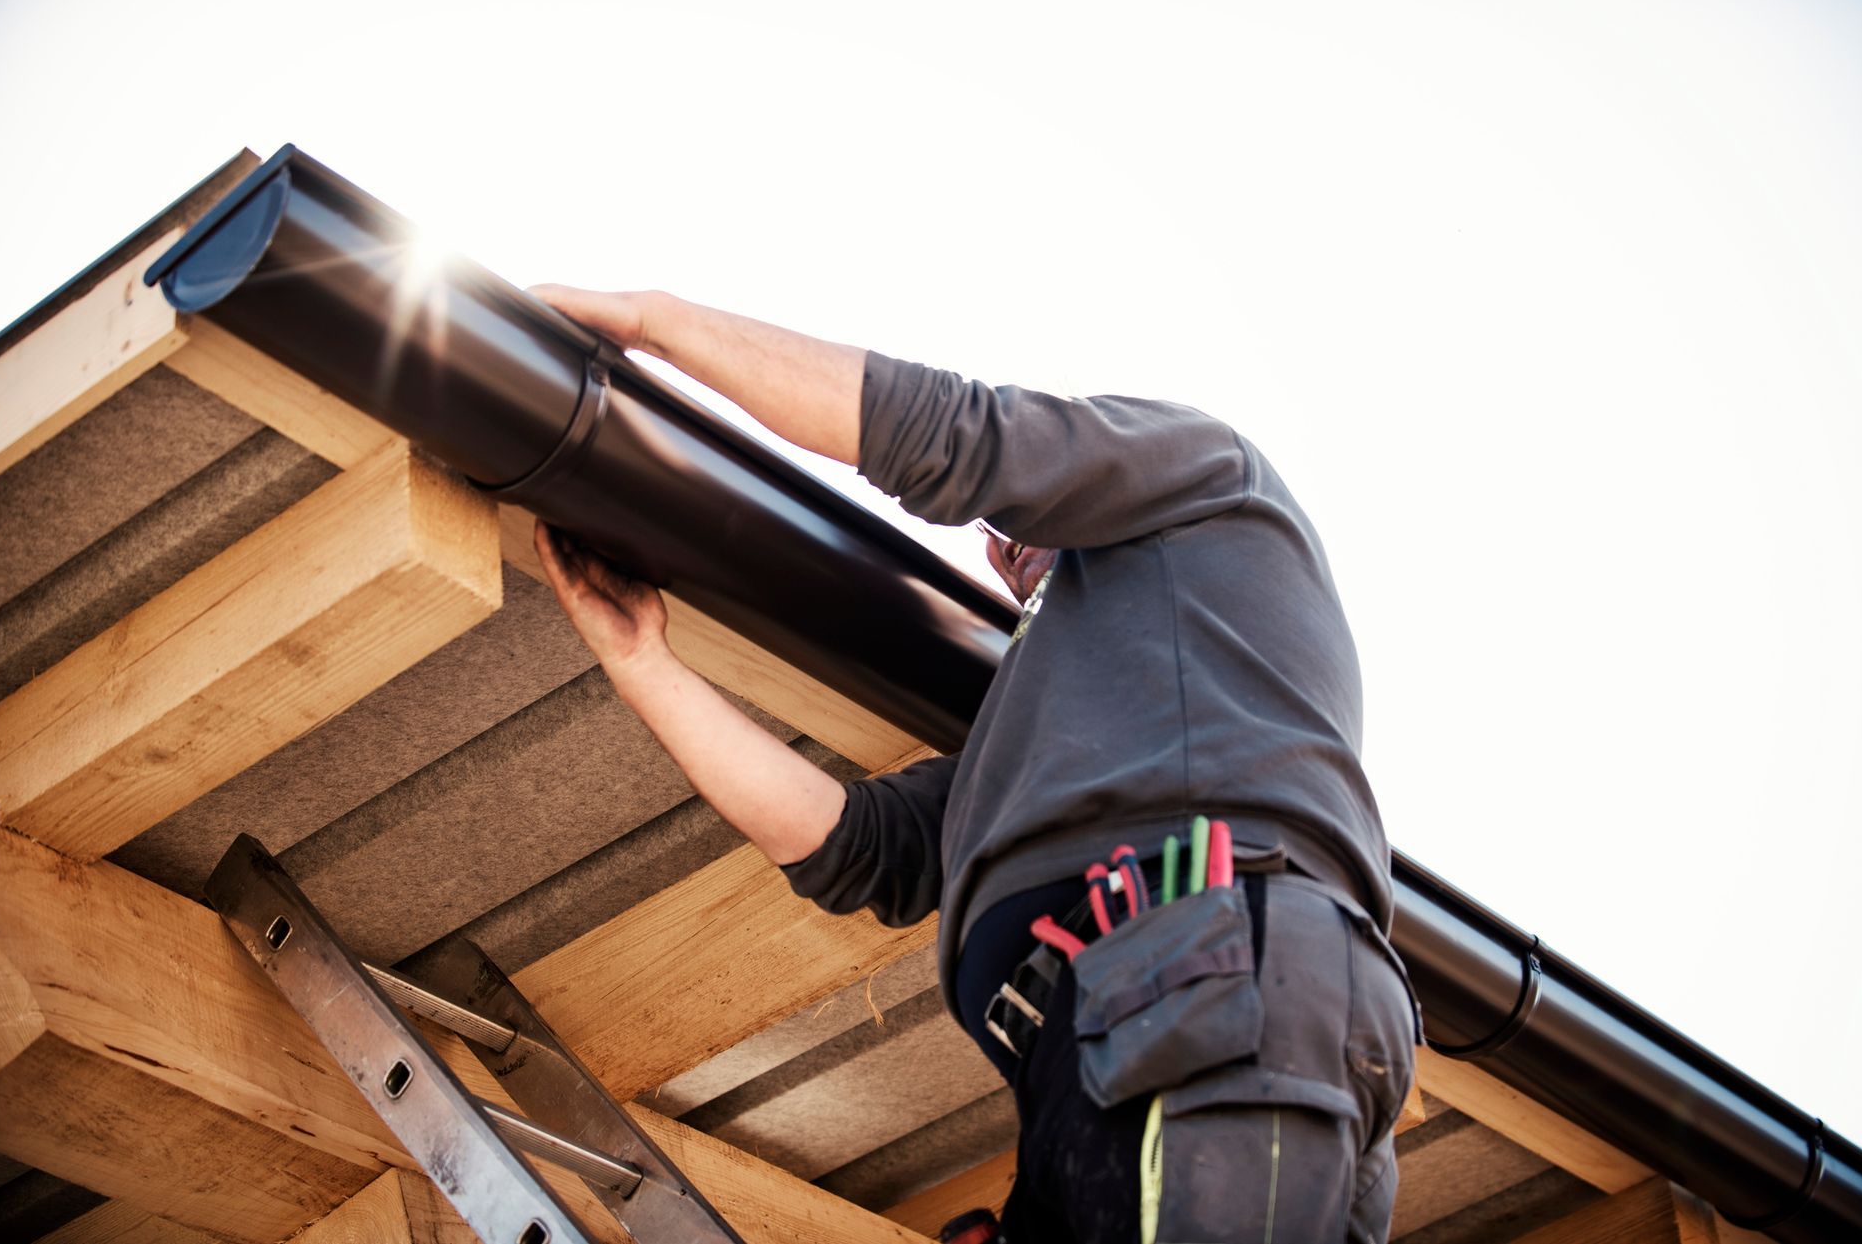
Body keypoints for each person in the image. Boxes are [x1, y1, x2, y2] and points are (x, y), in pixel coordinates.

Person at [528, 284, 1420, 1243]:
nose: (1002, 547)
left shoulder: (1211, 481)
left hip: (1207, 996)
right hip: (1127, 1043)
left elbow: (955, 436)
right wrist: (642, 664)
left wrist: (660, 323)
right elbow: (856, 847)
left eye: (1023, 516)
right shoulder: (1064, 741)